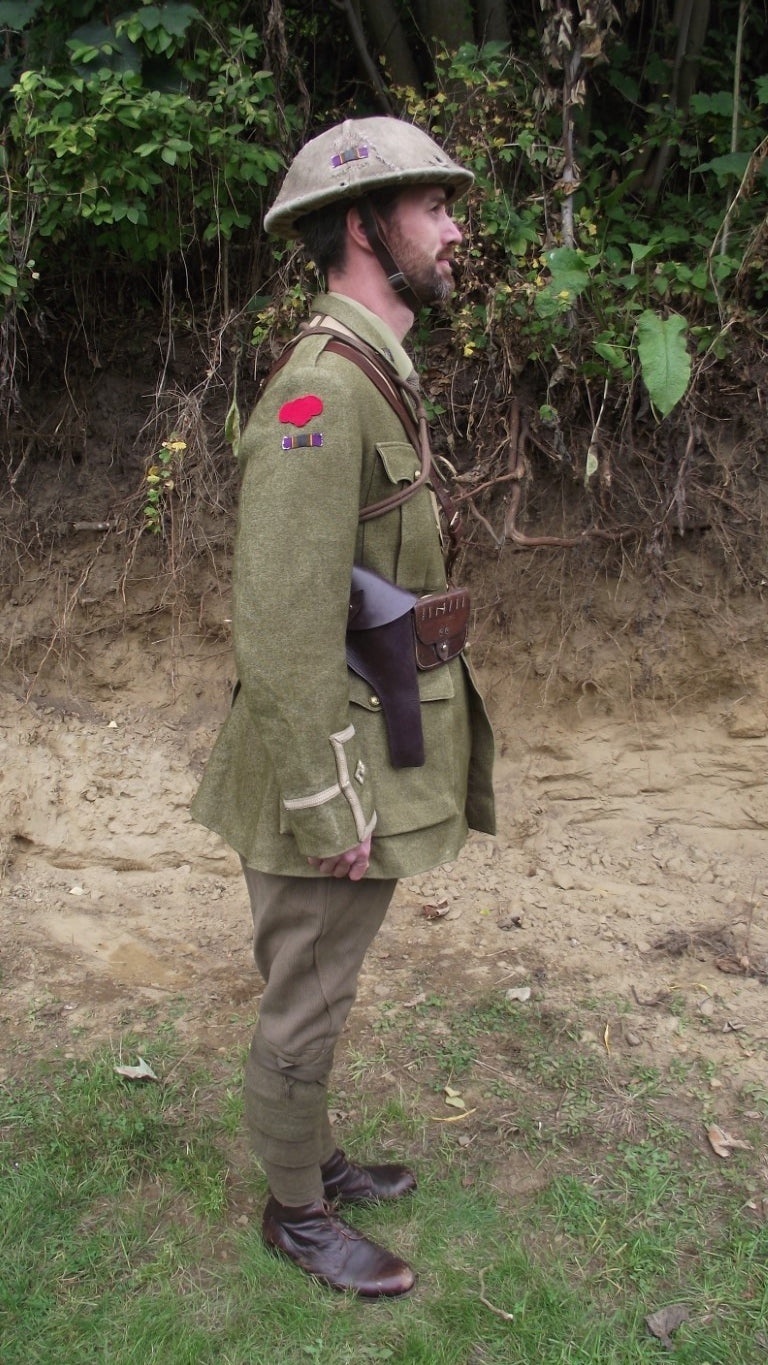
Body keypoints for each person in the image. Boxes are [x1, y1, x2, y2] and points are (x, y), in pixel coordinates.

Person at [191, 116, 495, 1298]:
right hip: (321, 759)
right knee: (308, 992)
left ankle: (313, 1159)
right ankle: (295, 1213)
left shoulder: (375, 367)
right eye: (431, 208)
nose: (455, 227)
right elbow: (279, 622)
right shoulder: (321, 393)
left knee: (328, 981)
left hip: (358, 735)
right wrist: (327, 800)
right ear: (366, 228)